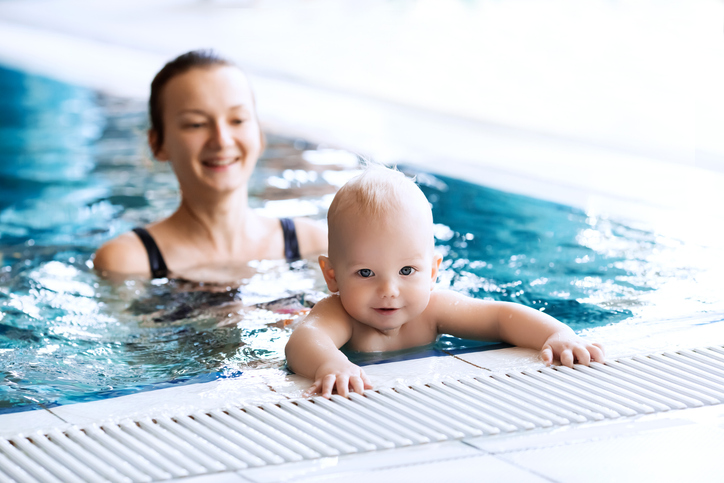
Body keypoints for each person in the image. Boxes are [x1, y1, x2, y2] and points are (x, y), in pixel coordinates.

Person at [285, 164, 605, 398]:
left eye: (407, 271)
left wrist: (557, 334)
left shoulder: (433, 309)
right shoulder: (338, 314)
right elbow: (302, 341)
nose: (389, 291)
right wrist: (331, 364)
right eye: (366, 273)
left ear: (433, 271)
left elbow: (499, 317)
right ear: (332, 275)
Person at [94, 50, 326, 280]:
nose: (222, 140)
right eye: (196, 124)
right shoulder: (128, 261)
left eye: (238, 120)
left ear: (260, 134)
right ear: (158, 144)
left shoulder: (313, 245)